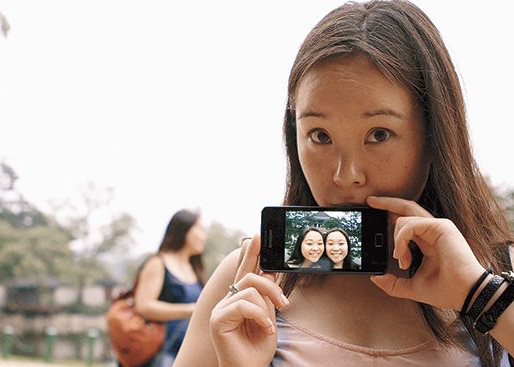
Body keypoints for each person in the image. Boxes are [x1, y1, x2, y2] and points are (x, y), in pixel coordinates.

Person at [174, 1, 514, 366]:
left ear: (434, 135)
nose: (346, 174)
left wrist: (480, 296)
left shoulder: (497, 273)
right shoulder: (248, 282)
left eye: (379, 134)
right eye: (320, 135)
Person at [132, 209, 207, 367]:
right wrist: (190, 310)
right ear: (184, 230)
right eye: (200, 229)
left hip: (188, 349)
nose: (204, 235)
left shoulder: (194, 268)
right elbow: (144, 306)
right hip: (161, 350)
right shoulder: (157, 263)